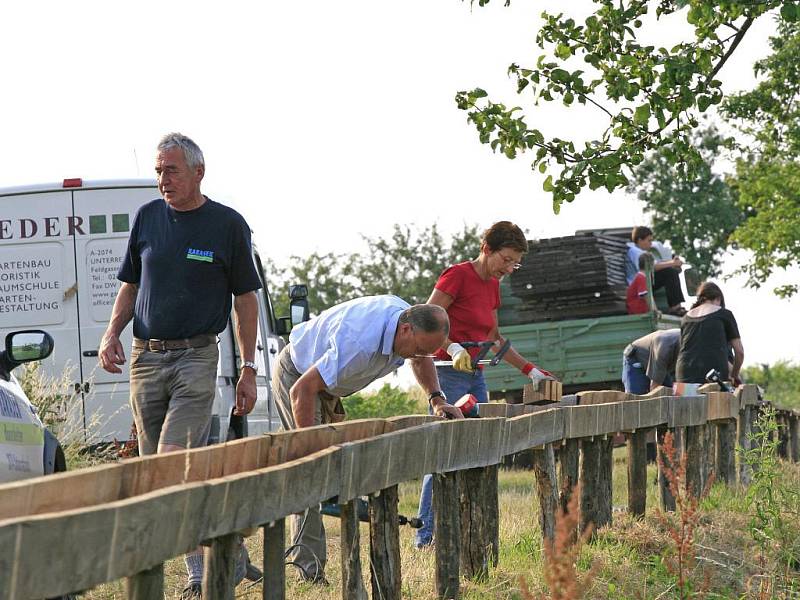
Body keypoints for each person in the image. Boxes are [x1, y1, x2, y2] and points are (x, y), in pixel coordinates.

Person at [98, 133, 262, 600]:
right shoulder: (148, 217)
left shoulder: (227, 224)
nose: (162, 180)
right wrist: (111, 333)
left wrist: (248, 366)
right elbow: (130, 284)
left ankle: (198, 574)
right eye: (158, 170)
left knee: (176, 457)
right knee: (158, 470)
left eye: (170, 170)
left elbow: (245, 300)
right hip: (145, 358)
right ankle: (226, 549)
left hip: (196, 355)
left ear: (198, 172)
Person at [271, 296, 461, 583]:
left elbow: (422, 359)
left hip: (328, 387)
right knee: (311, 472)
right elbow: (302, 391)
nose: (416, 356)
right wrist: (311, 451)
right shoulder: (358, 342)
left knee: (333, 470)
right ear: (406, 330)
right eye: (418, 348)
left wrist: (436, 399)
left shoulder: (408, 326)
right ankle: (309, 572)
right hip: (297, 377)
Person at [414, 220, 558, 549]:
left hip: (475, 374)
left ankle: (467, 529)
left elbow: (493, 337)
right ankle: (427, 537)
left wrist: (530, 370)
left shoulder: (492, 285)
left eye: (515, 263)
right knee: (445, 451)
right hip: (445, 372)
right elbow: (423, 319)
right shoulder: (457, 276)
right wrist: (450, 346)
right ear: (486, 249)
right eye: (506, 259)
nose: (509, 268)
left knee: (479, 448)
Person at [676, 282, 744, 384]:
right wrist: (734, 376)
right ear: (718, 298)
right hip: (714, 377)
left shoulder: (685, 318)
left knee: (686, 400)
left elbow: (689, 351)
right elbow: (739, 352)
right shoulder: (725, 314)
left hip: (683, 376)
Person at [625, 226, 686, 316]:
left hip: (644, 283)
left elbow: (658, 264)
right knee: (670, 273)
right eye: (649, 240)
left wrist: (673, 263)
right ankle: (675, 307)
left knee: (670, 271)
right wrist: (672, 263)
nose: (651, 244)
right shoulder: (635, 251)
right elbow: (650, 267)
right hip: (637, 287)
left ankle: (676, 306)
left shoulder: (641, 252)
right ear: (640, 240)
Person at [622, 329, 680, 394]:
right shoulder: (664, 348)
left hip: (664, 363)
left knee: (674, 392)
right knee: (637, 398)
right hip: (636, 358)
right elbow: (655, 387)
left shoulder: (690, 345)